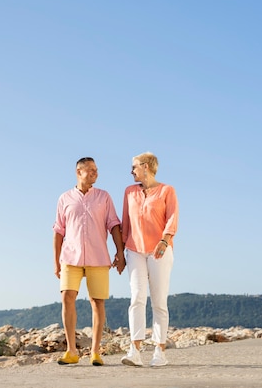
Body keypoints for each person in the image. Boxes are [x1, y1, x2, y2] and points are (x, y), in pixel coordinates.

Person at [53, 157, 125, 366]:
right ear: (79, 171)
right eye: (91, 170)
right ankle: (71, 351)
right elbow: (58, 231)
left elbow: (113, 225)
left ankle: (95, 352)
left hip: (98, 257)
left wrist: (119, 252)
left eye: (96, 170)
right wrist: (55, 261)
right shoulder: (65, 198)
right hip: (70, 257)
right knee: (67, 297)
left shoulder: (104, 197)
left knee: (97, 302)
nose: (95, 173)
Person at [119, 152, 178, 367]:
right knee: (137, 297)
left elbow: (172, 218)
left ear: (145, 166)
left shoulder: (166, 190)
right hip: (134, 250)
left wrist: (164, 240)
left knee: (159, 300)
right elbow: (125, 222)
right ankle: (134, 350)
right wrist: (120, 253)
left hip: (159, 250)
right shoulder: (129, 192)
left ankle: (159, 351)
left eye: (133, 166)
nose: (131, 171)